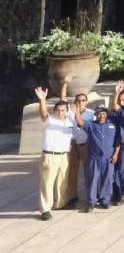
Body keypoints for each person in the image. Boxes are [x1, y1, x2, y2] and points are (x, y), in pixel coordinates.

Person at [34, 87, 72, 220]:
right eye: (58, 110)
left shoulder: (69, 122)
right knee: (47, 183)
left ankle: (60, 203)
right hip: (50, 155)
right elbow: (43, 114)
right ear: (54, 110)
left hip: (64, 156)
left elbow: (64, 100)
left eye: (63, 110)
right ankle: (45, 209)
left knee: (63, 181)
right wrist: (42, 99)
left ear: (67, 111)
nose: (60, 112)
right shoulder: (50, 120)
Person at [70, 103, 117, 212]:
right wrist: (77, 112)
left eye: (104, 113)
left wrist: (116, 154)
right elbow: (80, 122)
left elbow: (117, 141)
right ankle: (92, 201)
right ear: (96, 115)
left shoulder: (112, 125)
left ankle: (105, 200)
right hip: (94, 158)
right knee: (92, 179)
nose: (102, 116)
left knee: (108, 179)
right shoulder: (91, 125)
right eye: (99, 114)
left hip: (108, 158)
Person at [59, 75, 93, 209]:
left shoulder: (91, 113)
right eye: (78, 100)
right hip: (72, 145)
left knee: (88, 171)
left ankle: (90, 194)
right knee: (72, 171)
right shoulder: (70, 111)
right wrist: (65, 84)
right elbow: (62, 100)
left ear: (86, 102)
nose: (80, 102)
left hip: (86, 145)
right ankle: (72, 196)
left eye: (83, 100)